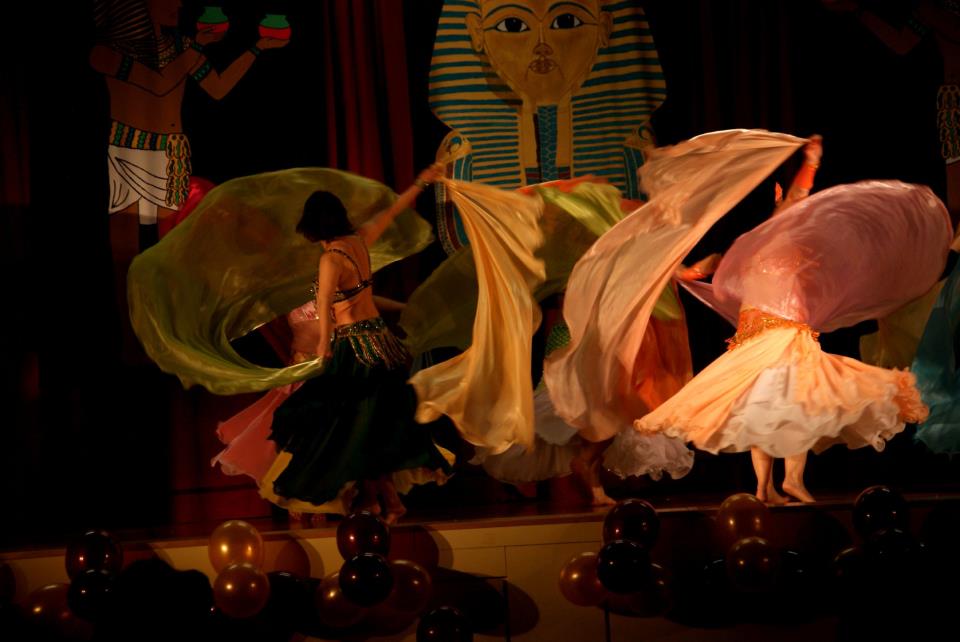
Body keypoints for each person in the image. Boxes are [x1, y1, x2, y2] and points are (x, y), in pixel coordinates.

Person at [632, 158, 950, 503]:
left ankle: (766, 486)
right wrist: (810, 162)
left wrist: (680, 268)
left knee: (767, 406)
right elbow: (797, 196)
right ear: (777, 194)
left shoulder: (754, 246)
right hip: (775, 331)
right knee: (791, 403)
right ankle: (785, 482)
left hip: (763, 332)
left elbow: (697, 270)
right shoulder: (768, 236)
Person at [258, 164, 454, 524]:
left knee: (334, 426)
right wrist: (421, 183)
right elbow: (392, 211)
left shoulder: (331, 258)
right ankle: (386, 502)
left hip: (353, 350)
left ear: (312, 226)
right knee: (368, 429)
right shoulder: (360, 242)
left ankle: (376, 501)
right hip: (381, 344)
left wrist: (323, 350)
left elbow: (324, 306)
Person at [89, 0, 287, 358]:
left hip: (171, 155)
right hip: (130, 156)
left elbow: (219, 87)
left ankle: (188, 341)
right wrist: (197, 47)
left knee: (181, 259)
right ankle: (130, 350)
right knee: (126, 262)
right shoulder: (107, 51)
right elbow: (157, 84)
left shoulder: (180, 46)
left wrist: (257, 48)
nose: (177, 4)